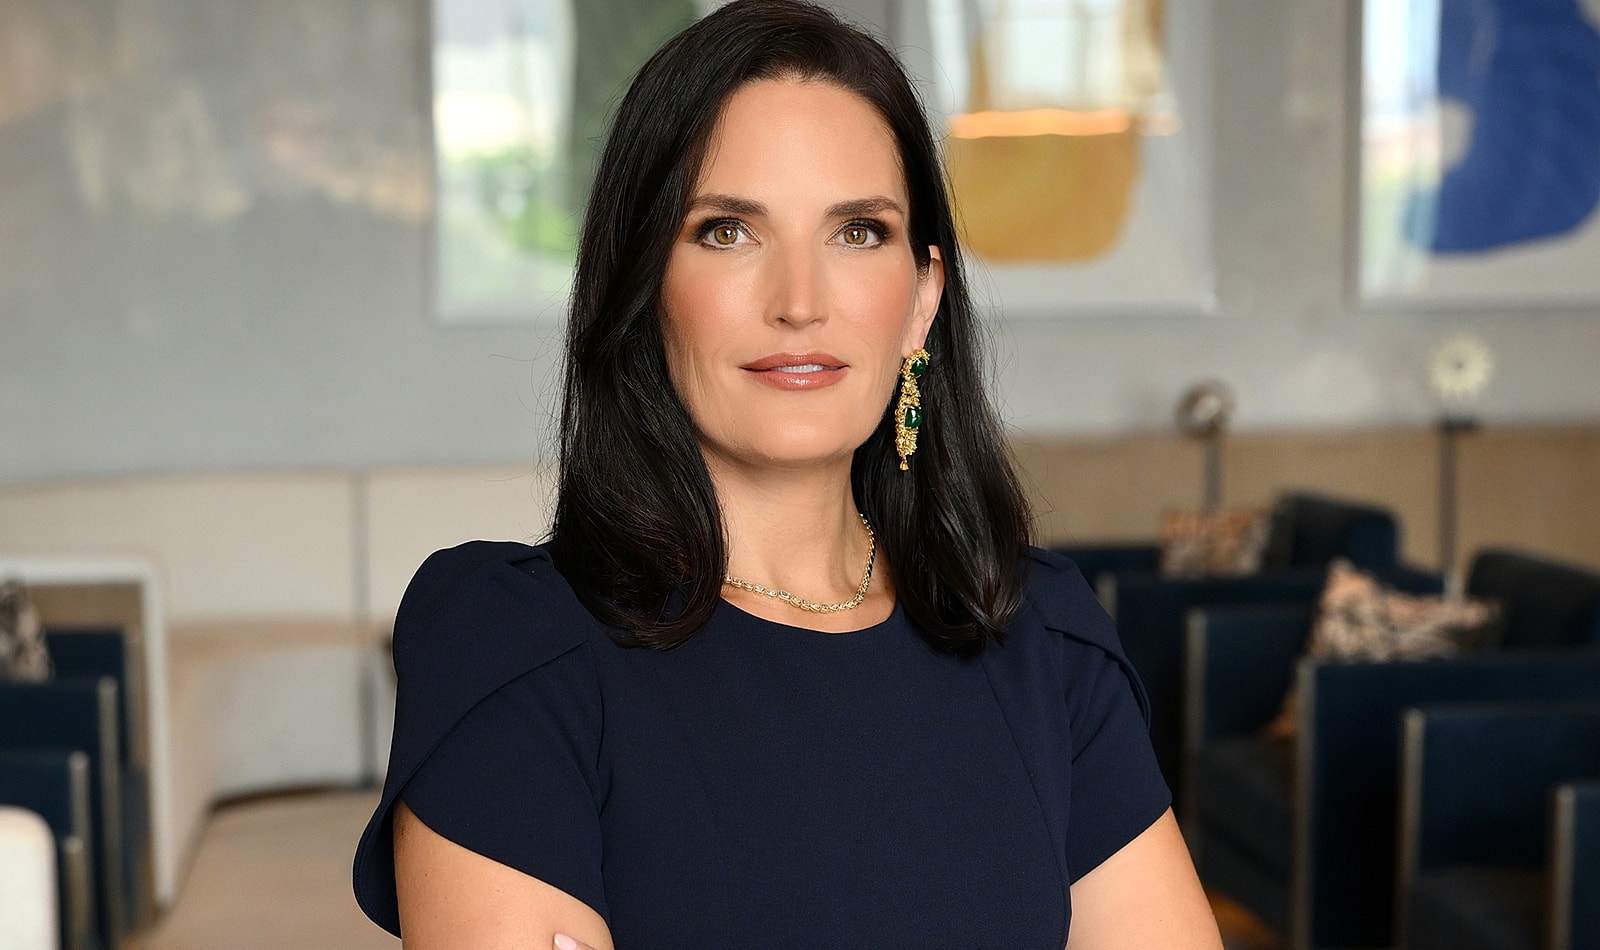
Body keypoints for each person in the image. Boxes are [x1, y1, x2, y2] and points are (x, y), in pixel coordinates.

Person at [353, 2, 1224, 947]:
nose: (800, 303)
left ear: (920, 301)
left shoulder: (1044, 640)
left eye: (857, 232)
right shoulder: (513, 651)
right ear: (643, 288)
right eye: (730, 231)